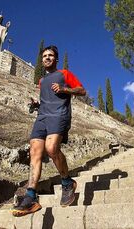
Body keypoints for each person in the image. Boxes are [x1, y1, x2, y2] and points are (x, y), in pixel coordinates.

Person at [12, 45, 86, 217]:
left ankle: (67, 182)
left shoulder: (64, 74)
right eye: (44, 56)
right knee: (35, 153)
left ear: (56, 59)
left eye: (50, 55)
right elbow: (46, 100)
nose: (47, 58)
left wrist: (64, 89)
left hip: (59, 116)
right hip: (42, 117)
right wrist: (37, 104)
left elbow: (82, 90)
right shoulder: (41, 81)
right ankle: (31, 197)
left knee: (51, 148)